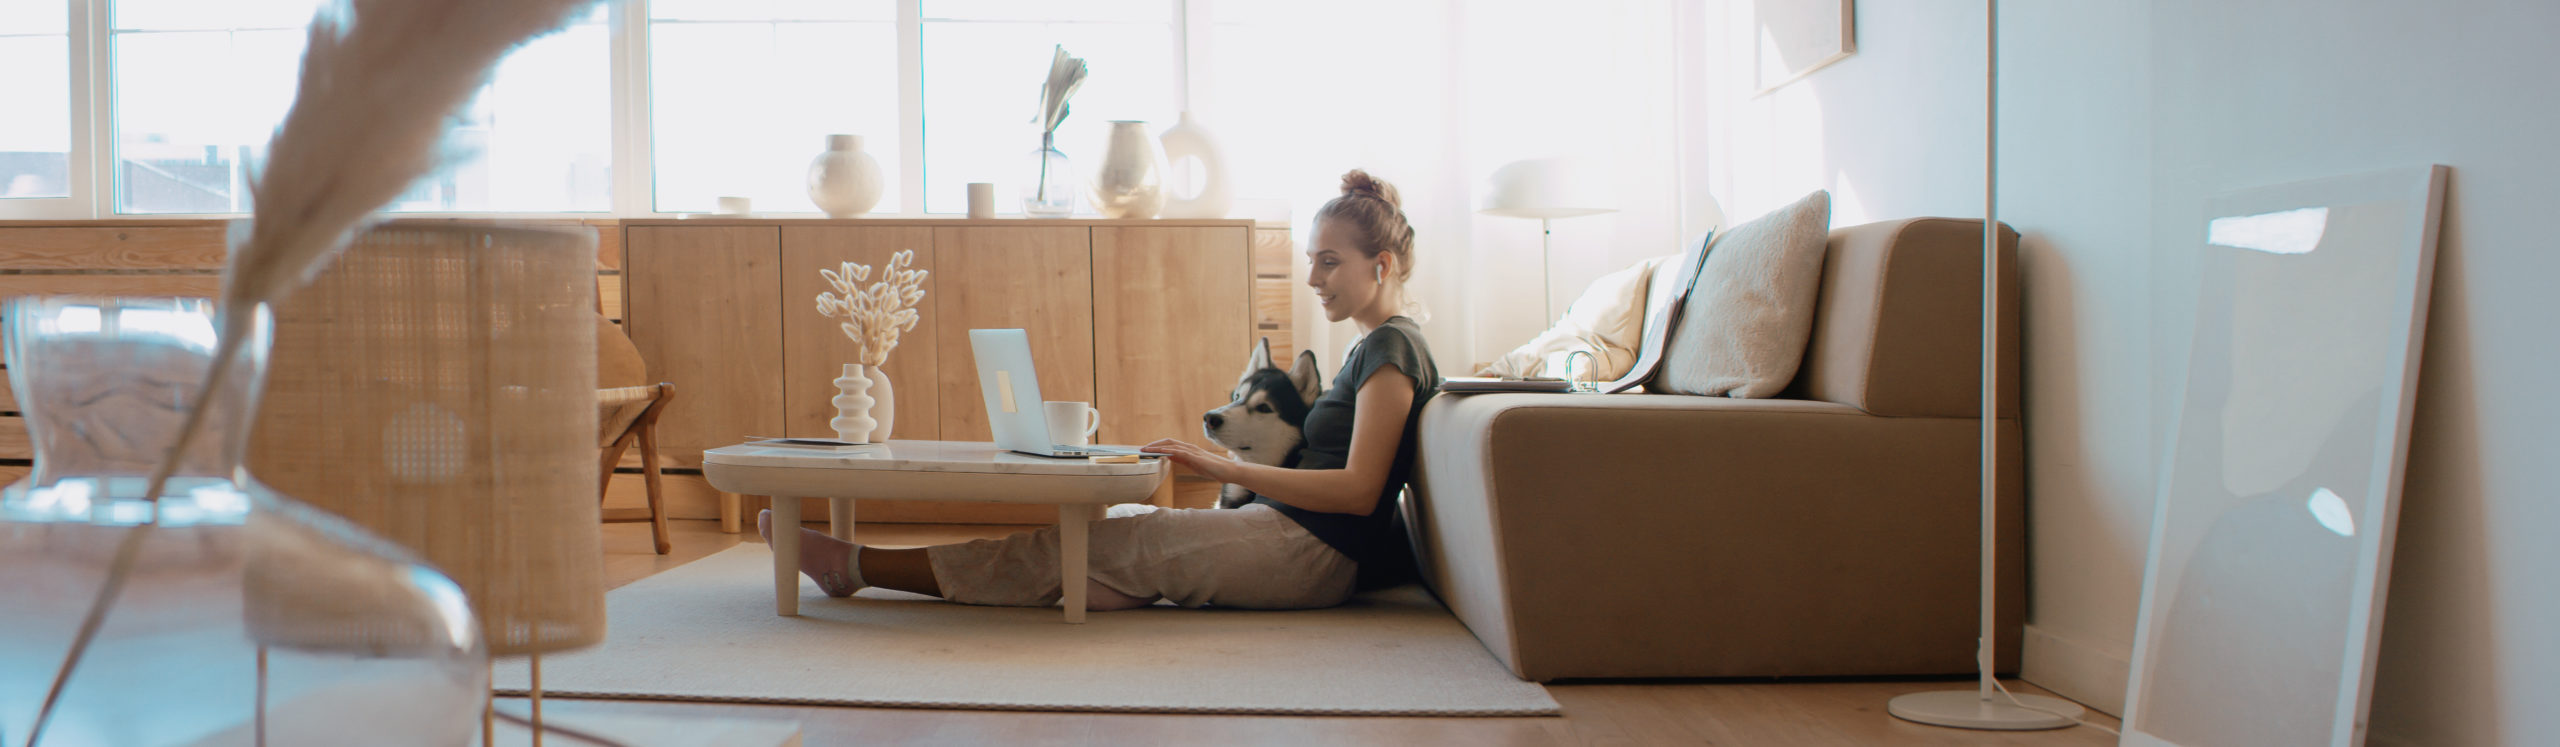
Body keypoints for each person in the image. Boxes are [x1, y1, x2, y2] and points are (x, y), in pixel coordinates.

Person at [758, 168, 1442, 611]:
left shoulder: (1390, 350)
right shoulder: (1377, 347)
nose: (1315, 278)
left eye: (1330, 261)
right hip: (1292, 537)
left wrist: (1221, 466)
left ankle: (858, 565)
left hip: (1309, 554)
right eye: (1310, 261)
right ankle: (1108, 581)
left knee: (1083, 546)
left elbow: (1358, 490)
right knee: (1100, 540)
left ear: (1379, 265)